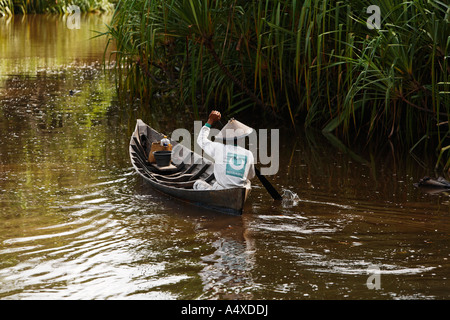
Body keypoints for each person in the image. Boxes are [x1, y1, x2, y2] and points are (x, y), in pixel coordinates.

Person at [194, 110, 255, 190]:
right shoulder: (249, 154)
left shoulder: (219, 148)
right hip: (239, 190)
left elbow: (201, 140)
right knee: (247, 182)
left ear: (226, 139)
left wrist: (210, 120)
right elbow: (251, 176)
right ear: (241, 139)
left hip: (220, 189)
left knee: (197, 183)